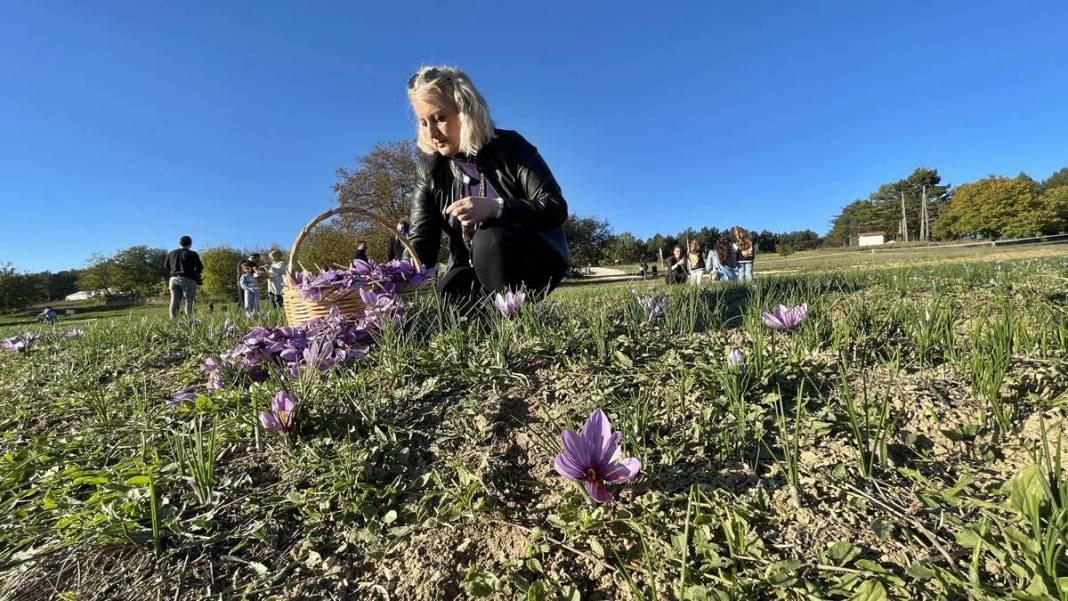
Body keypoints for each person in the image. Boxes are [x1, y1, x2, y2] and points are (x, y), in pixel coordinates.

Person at [405, 66, 570, 304]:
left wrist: (497, 208)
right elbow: (422, 241)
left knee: (489, 238)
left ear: (465, 112)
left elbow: (555, 208)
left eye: (439, 118)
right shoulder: (430, 169)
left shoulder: (512, 147)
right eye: (423, 122)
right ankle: (491, 312)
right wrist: (395, 275)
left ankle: (514, 315)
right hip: (470, 267)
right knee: (449, 298)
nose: (431, 132)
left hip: (534, 259)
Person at [164, 235, 204, 319]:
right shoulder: (193, 254)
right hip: (188, 279)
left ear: (179, 243)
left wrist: (174, 271)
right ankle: (189, 321)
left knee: (174, 301)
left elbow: (166, 266)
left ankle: (173, 322)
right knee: (189, 302)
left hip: (174, 279)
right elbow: (200, 268)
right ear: (190, 244)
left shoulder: (171, 253)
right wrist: (195, 274)